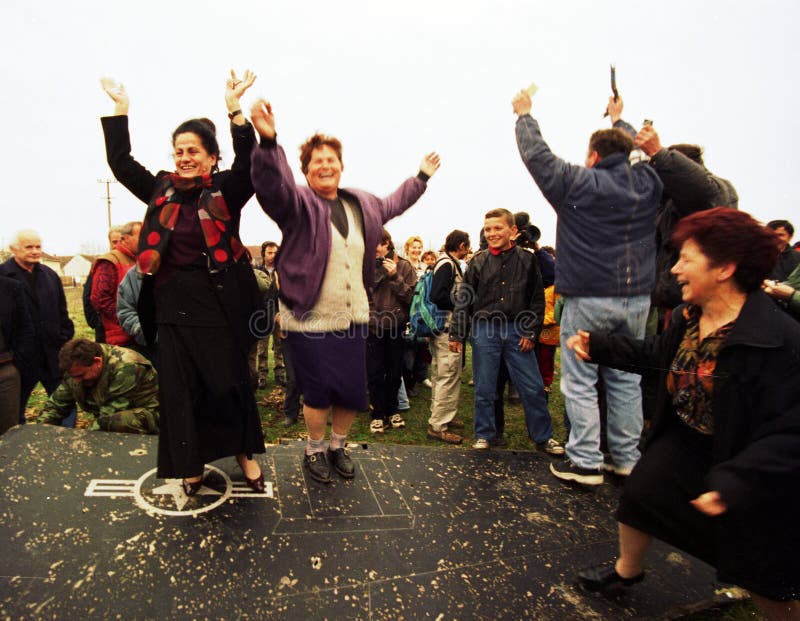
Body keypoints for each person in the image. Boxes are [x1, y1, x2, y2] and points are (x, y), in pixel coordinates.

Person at [567, 208, 799, 619]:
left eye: (686, 259)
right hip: (685, 438)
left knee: (760, 569)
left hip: (744, 460)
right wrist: (601, 346)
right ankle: (627, 572)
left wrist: (738, 479)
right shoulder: (691, 317)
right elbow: (659, 356)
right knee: (640, 494)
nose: (675, 269)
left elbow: (790, 429)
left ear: (725, 268)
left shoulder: (779, 340)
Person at [248, 96, 440, 484]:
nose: (325, 164)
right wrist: (268, 144)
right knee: (318, 391)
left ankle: (337, 445)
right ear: (305, 170)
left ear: (341, 165)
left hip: (353, 315)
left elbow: (394, 202)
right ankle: (314, 449)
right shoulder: (296, 202)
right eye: (316, 160)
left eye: (330, 158)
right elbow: (272, 188)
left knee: (351, 390)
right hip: (308, 319)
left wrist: (420, 178)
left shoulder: (362, 203)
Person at [99, 70, 266, 496]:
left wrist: (234, 110)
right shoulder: (160, 190)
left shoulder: (227, 189)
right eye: (179, 150)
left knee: (229, 384)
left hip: (218, 302)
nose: (185, 157)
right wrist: (120, 111)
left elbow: (249, 164)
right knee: (181, 391)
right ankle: (190, 466)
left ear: (212, 157)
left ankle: (244, 453)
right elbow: (121, 164)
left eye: (194, 150)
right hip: (172, 306)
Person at [513, 88, 662, 484]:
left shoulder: (578, 183)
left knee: (580, 378)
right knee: (625, 377)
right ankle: (626, 458)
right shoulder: (648, 184)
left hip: (590, 295)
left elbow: (537, 156)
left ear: (593, 157)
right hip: (637, 298)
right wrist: (619, 121)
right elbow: (639, 156)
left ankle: (585, 461)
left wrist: (525, 114)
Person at [449, 209, 563, 454]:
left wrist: (531, 332)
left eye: (497, 228)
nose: (492, 233)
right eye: (488, 229)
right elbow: (464, 300)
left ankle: (543, 438)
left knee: (532, 387)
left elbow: (536, 301)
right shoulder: (477, 261)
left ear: (512, 231)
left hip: (516, 330)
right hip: (484, 330)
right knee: (484, 388)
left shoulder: (528, 259)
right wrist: (457, 334)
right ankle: (484, 434)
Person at [0, 230, 75, 426]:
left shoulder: (50, 275)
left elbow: (62, 313)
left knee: (65, 406)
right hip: (20, 359)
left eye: (38, 247)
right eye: (29, 247)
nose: (35, 251)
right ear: (13, 249)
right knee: (14, 413)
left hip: (53, 355)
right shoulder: (3, 277)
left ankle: (66, 444)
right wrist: (15, 355)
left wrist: (64, 339)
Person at [38, 339, 159, 434]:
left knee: (117, 421)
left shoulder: (127, 366)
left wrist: (82, 441)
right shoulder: (75, 371)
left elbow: (109, 416)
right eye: (74, 377)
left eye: (81, 375)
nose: (77, 381)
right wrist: (39, 432)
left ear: (97, 362)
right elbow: (55, 406)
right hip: (108, 419)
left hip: (149, 417)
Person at [368, 229, 416, 434]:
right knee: (375, 372)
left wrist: (394, 275)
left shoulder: (404, 265)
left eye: (376, 244)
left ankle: (392, 410)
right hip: (372, 326)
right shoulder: (365, 266)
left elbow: (410, 297)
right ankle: (378, 413)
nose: (373, 248)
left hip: (395, 326)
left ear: (387, 243)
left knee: (395, 371)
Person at [426, 229, 470, 445]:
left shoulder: (445, 262)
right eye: (467, 245)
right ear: (461, 245)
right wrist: (461, 305)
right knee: (448, 376)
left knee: (441, 375)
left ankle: (443, 416)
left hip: (442, 330)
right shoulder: (447, 264)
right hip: (447, 330)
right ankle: (438, 426)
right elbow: (437, 296)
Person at [90, 220, 141, 347]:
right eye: (141, 236)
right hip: (123, 338)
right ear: (126, 239)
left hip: (140, 334)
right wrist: (128, 321)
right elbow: (100, 299)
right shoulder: (109, 261)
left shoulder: (141, 260)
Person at [0, 275, 36, 434]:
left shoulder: (10, 286)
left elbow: (25, 328)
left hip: (5, 370)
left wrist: (16, 364)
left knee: (9, 432)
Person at [250, 241, 284, 389]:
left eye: (275, 252)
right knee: (262, 348)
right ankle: (262, 376)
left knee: (279, 346)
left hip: (278, 314)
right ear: (263, 254)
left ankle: (280, 374)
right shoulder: (256, 271)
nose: (272, 255)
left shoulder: (282, 271)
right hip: (262, 315)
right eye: (269, 253)